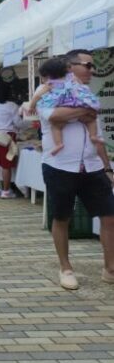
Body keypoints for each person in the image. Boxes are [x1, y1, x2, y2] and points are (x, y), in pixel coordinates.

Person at [38, 49, 114, 290]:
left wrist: (107, 167)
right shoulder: (49, 91)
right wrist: (85, 111)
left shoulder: (86, 93)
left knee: (109, 215)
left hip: (92, 166)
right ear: (70, 67)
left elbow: (97, 135)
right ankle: (66, 267)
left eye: (93, 66)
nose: (92, 70)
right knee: (62, 217)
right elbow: (54, 116)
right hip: (60, 165)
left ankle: (110, 268)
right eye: (87, 65)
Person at [29, 56, 103, 156]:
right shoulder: (73, 78)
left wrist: (31, 106)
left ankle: (59, 144)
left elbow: (38, 96)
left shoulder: (50, 85)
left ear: (48, 76)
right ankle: (93, 135)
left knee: (56, 127)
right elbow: (81, 88)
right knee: (91, 120)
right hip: (77, 104)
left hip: (62, 108)